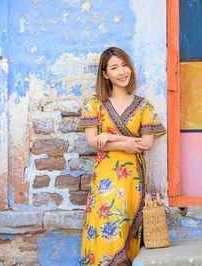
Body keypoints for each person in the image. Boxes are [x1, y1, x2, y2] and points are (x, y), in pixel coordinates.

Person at [78, 47, 166, 266]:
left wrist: (109, 137)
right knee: (108, 232)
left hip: (132, 180)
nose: (121, 72)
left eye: (124, 65)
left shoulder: (143, 105)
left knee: (127, 232)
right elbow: (92, 141)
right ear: (105, 74)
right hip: (105, 180)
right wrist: (126, 142)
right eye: (114, 68)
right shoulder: (94, 104)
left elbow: (146, 143)